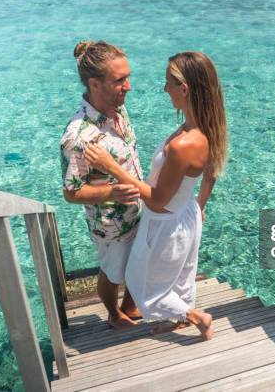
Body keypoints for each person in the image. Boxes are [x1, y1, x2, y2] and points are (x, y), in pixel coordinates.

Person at [84, 51, 227, 341]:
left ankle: (198, 319)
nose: (164, 90)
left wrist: (112, 167)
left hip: (164, 225)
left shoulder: (185, 143)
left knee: (141, 285)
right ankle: (179, 319)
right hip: (184, 215)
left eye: (168, 84)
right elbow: (210, 174)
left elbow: (156, 199)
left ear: (183, 89)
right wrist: (198, 206)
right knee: (179, 278)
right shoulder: (207, 127)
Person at [60, 40, 143, 329]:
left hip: (140, 211)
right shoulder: (79, 136)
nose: (128, 86)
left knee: (140, 262)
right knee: (113, 274)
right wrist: (111, 192)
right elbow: (71, 192)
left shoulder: (118, 110)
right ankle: (113, 313)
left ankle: (131, 305)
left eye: (127, 77)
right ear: (95, 84)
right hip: (111, 226)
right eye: (120, 80)